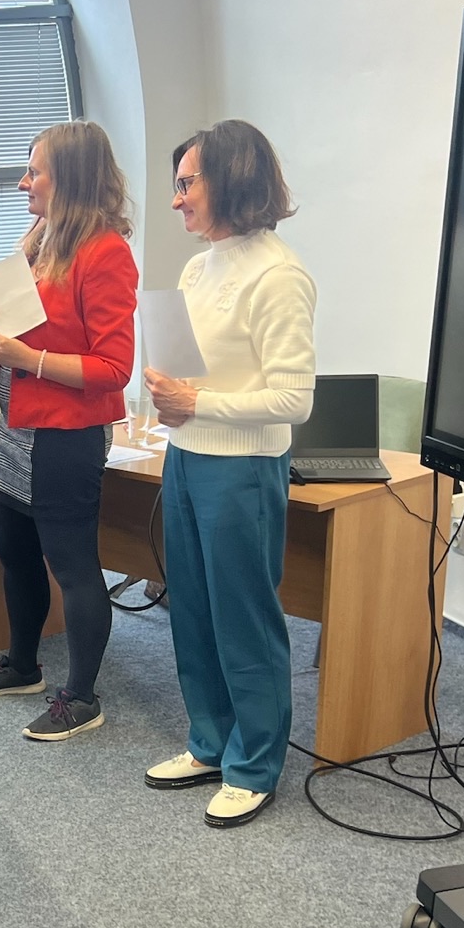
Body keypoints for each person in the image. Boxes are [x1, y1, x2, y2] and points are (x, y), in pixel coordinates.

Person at [142, 120, 316, 828]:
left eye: (187, 183)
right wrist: (170, 393)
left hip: (244, 467)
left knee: (244, 617)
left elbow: (294, 399)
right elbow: (198, 373)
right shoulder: (197, 268)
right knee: (190, 608)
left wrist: (197, 402)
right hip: (187, 455)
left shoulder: (279, 275)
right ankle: (211, 743)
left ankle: (255, 764)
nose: (177, 199)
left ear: (232, 179)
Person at [0, 121, 138, 743]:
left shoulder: (105, 252)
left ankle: (82, 697)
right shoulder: (44, 244)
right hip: (19, 427)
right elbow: (21, 333)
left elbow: (114, 368)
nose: (23, 183)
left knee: (72, 565)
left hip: (66, 434)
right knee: (13, 551)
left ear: (68, 178)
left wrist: (28, 358)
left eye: (34, 171)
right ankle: (23, 663)